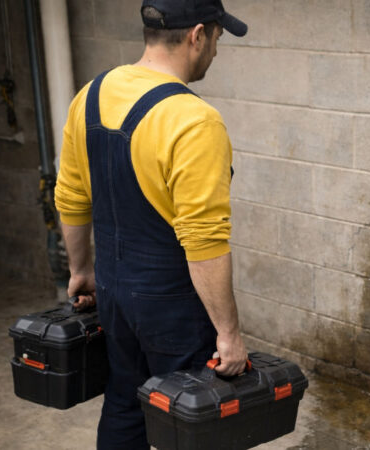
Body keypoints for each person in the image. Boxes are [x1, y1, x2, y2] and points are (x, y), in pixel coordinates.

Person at [54, 1, 249, 448]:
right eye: (218, 38)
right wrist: (229, 333)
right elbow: (203, 241)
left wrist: (81, 270)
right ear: (197, 35)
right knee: (195, 418)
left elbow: (71, 197)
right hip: (171, 303)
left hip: (113, 291)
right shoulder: (194, 120)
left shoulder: (90, 96)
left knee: (125, 399)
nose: (216, 51)